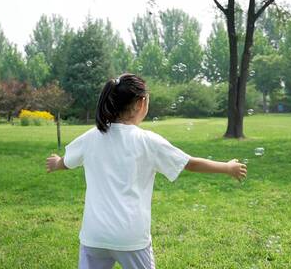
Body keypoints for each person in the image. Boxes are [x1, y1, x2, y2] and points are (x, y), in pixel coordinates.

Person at [46, 73, 247, 269]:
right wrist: (227, 167)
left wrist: (56, 163)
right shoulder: (148, 141)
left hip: (94, 236)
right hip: (130, 237)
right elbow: (189, 163)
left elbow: (67, 162)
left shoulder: (91, 137)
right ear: (141, 103)